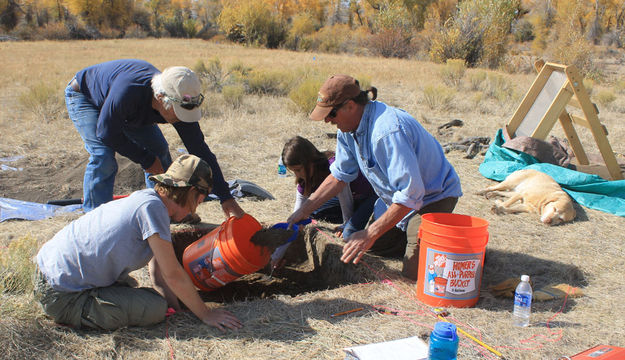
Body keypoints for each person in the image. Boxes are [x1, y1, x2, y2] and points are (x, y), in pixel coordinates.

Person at [33, 154, 243, 331]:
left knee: (144, 296)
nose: (195, 209)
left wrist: (177, 308)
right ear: (190, 192)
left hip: (52, 276)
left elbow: (158, 273)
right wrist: (205, 314)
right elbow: (172, 274)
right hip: (62, 294)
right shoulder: (152, 210)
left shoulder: (149, 202)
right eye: (198, 201)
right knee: (153, 309)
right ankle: (77, 312)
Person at [287, 75, 462, 280]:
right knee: (364, 246)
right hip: (395, 199)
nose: (327, 120)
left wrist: (370, 233)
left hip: (432, 197)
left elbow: (411, 194)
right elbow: (339, 176)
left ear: (350, 106)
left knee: (414, 274)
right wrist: (304, 210)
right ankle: (415, 239)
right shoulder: (348, 130)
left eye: (331, 113)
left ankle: (454, 251)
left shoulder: (387, 131)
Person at [65, 58, 244, 218]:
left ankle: (165, 211)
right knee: (103, 156)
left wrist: (226, 198)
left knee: (159, 150)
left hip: (127, 111)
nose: (182, 119)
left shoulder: (181, 100)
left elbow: (200, 150)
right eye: (178, 113)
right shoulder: (128, 91)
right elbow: (106, 132)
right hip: (85, 96)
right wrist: (146, 159)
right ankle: (94, 217)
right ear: (160, 98)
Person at [282, 136, 377, 240]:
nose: (297, 174)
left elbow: (345, 195)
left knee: (348, 234)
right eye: (293, 171)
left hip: (368, 197)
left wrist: (346, 224)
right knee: (314, 213)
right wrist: (294, 223)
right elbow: (300, 209)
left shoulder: (333, 166)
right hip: (351, 200)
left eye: (298, 170)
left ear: (310, 161)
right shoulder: (304, 179)